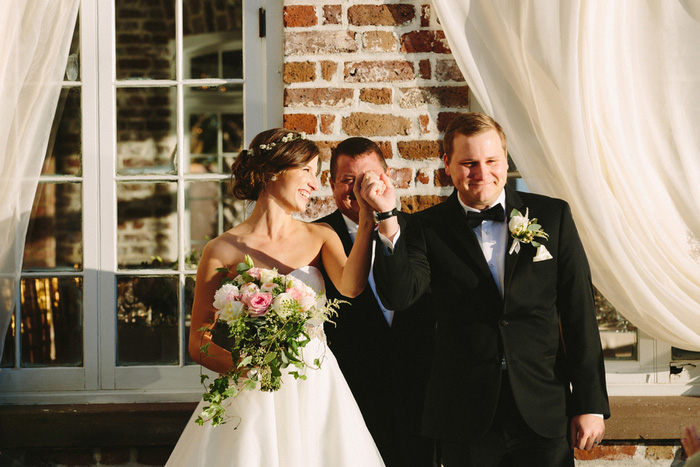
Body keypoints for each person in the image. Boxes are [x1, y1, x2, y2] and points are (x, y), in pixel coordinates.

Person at [366, 112, 610, 466]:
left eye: (491, 160)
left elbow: (579, 313)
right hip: (465, 415)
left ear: (505, 160)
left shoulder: (553, 216)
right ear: (447, 164)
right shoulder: (424, 228)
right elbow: (399, 296)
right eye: (468, 163)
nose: (481, 173)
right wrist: (387, 218)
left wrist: (590, 403)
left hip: (543, 409)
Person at [166, 128, 393, 467]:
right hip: (253, 395)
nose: (314, 185)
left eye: (316, 175)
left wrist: (365, 221)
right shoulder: (221, 250)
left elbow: (351, 287)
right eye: (307, 171)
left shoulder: (321, 236)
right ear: (272, 172)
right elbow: (198, 340)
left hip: (316, 389)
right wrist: (248, 370)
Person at [316, 137, 437, 467]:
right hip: (346, 399)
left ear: (388, 177)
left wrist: (386, 221)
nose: (359, 190)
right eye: (348, 181)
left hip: (419, 397)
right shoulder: (313, 238)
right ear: (330, 184)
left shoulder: (423, 231)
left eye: (369, 178)